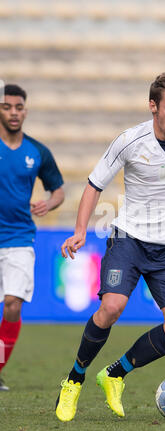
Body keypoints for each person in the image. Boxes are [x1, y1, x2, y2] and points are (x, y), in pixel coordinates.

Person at [55, 72, 165, 422]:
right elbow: (94, 185)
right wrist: (80, 230)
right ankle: (74, 379)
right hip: (128, 238)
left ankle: (114, 374)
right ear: (153, 106)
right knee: (111, 307)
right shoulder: (129, 140)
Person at [0, 84, 64, 391]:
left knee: (12, 304)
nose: (13, 112)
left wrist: (49, 203)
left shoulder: (37, 151)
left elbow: (59, 190)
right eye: (7, 106)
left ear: (25, 110)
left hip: (19, 239)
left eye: (18, 107)